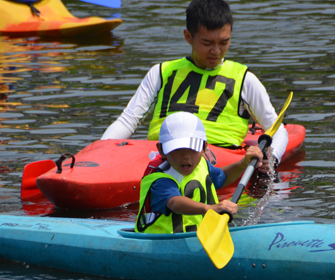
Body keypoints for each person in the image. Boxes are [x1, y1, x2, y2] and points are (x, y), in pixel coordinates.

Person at [102, 0, 289, 163]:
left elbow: (277, 130)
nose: (216, 51)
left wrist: (271, 160)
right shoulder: (160, 73)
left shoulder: (245, 80)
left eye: (224, 42)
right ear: (188, 37)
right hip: (162, 153)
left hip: (220, 157)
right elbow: (127, 122)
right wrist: (100, 152)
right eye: (207, 43)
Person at [135, 112, 265, 234]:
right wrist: (210, 208)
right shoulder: (160, 179)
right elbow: (174, 202)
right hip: (162, 244)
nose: (186, 157)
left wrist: (243, 163)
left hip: (200, 238)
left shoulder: (202, 164)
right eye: (177, 149)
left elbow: (222, 178)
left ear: (204, 148)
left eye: (192, 149)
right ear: (162, 150)